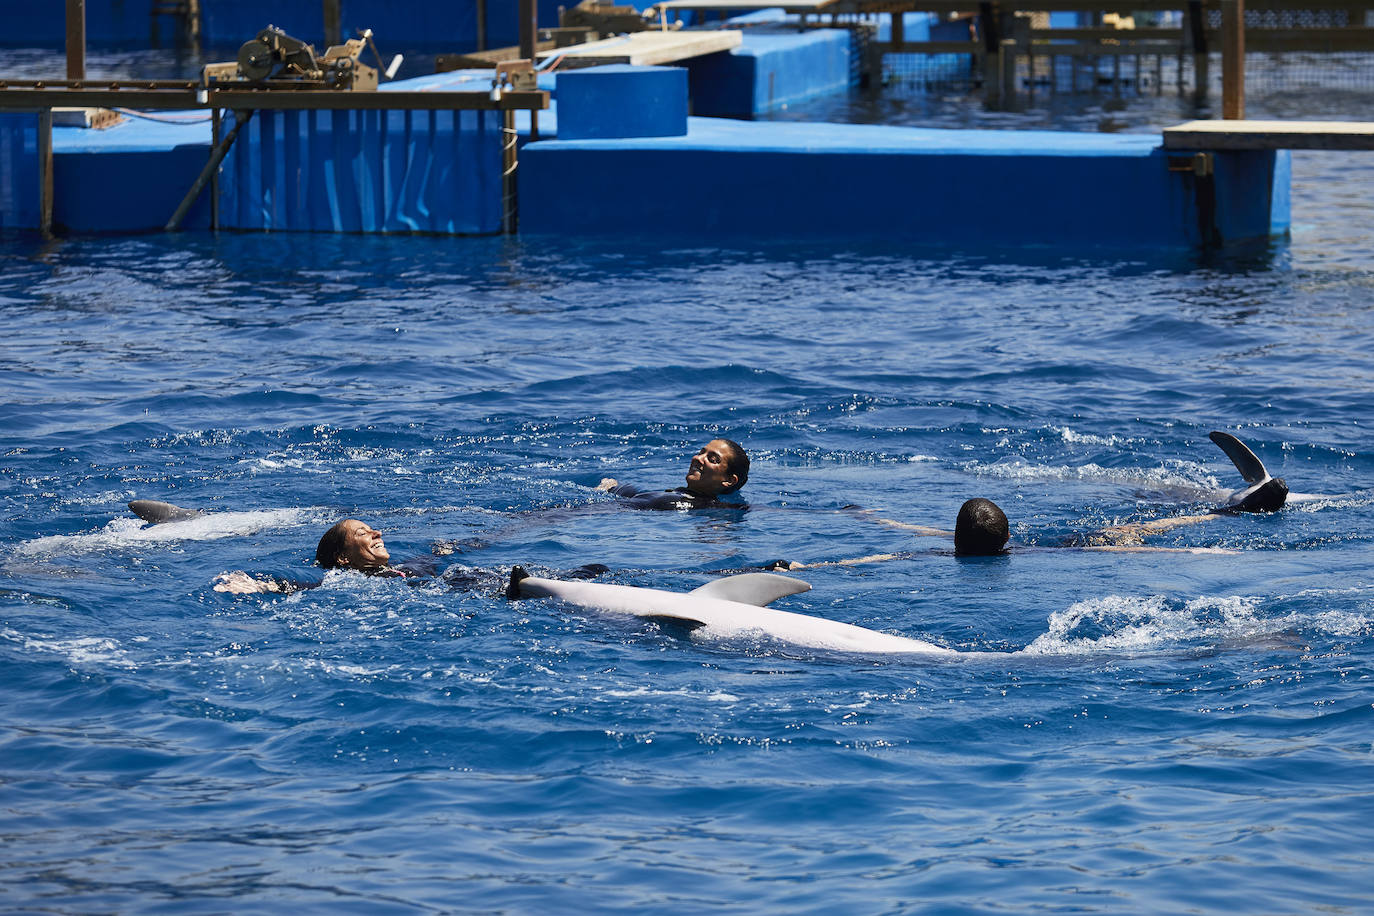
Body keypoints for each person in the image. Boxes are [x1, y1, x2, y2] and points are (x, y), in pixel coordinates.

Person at [595, 438, 751, 510]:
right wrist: (615, 488)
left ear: (729, 480)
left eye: (712, 459)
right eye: (701, 452)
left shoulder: (712, 506)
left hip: (608, 512)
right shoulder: (679, 494)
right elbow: (643, 496)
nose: (698, 458)